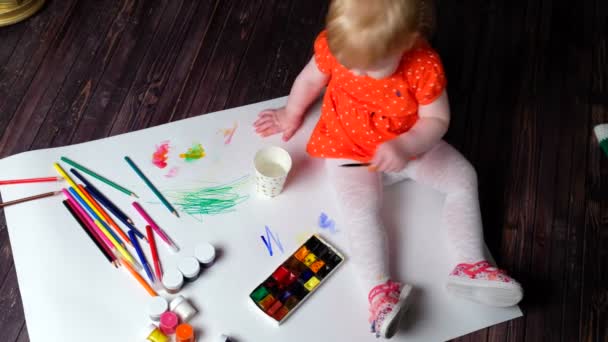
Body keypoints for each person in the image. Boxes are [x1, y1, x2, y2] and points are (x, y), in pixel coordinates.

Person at [254, 0, 523, 338]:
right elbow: (309, 81)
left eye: (372, 67)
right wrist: (289, 114)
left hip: (410, 146)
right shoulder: (336, 46)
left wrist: (406, 145)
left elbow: (437, 119)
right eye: (351, 65)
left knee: (463, 179)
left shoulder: (423, 65)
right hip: (347, 148)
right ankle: (380, 293)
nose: (359, 73)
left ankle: (472, 265)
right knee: (360, 212)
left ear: (407, 42)